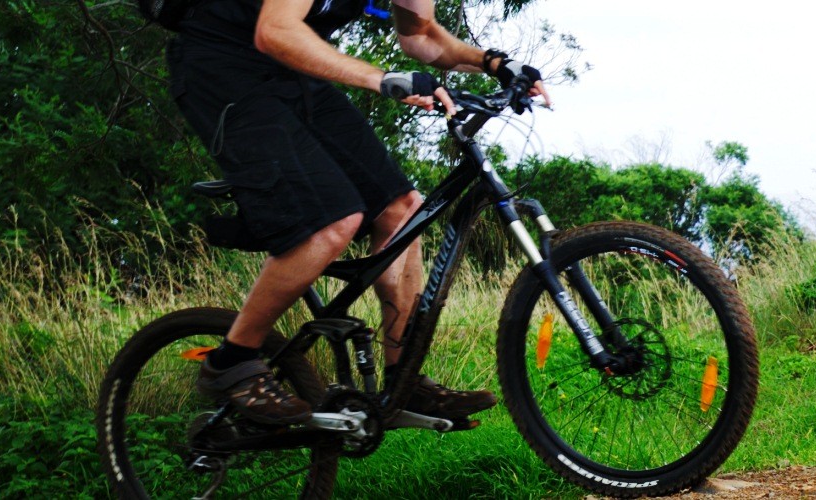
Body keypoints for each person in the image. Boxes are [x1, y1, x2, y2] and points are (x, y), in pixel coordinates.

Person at [170, 0, 549, 425]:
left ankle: (403, 381)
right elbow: (274, 30)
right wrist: (380, 78)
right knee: (332, 221)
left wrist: (493, 62)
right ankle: (231, 361)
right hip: (222, 70)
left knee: (404, 208)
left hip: (292, 76)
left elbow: (421, 35)